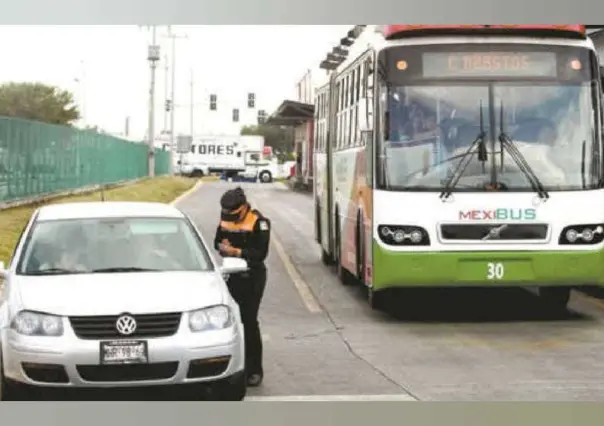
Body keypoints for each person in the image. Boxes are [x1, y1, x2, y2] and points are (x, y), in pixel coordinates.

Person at [213, 187, 270, 387]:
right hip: (231, 275)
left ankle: (254, 370)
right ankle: (232, 367)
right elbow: (216, 242)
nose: (230, 218)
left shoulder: (259, 222)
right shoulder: (226, 216)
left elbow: (259, 254)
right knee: (230, 321)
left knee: (249, 320)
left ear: (244, 207)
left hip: (252, 277)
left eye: (235, 214)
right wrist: (222, 247)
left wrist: (235, 251)